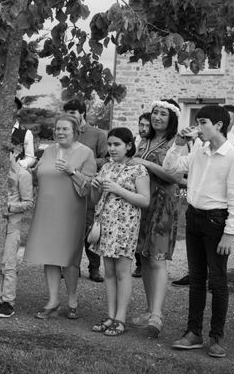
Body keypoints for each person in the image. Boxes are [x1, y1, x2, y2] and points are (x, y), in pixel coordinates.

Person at [164, 105, 234, 358]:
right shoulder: (198, 150)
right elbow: (170, 168)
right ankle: (193, 333)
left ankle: (216, 337)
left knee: (218, 281)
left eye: (203, 122)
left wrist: (229, 233)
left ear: (219, 125)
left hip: (216, 221)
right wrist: (178, 143)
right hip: (195, 217)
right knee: (197, 278)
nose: (198, 127)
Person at [23, 115, 97, 319]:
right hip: (46, 210)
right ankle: (53, 300)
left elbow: (90, 187)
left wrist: (71, 171)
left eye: (65, 129)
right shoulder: (48, 150)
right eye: (58, 129)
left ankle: (72, 300)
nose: (60, 132)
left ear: (75, 132)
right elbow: (39, 176)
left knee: (69, 258)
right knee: (50, 255)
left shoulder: (85, 153)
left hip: (71, 212)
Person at [129, 99, 182, 338]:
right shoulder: (145, 140)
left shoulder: (176, 143)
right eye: (155, 113)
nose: (157, 117)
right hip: (142, 204)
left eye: (163, 114)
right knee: (145, 257)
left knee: (158, 259)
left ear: (172, 118)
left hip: (163, 204)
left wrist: (145, 163)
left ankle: (157, 316)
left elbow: (177, 176)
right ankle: (150, 309)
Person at [90, 128, 150, 336]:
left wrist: (118, 189)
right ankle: (110, 315)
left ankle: (121, 318)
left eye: (117, 145)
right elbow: (95, 200)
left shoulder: (138, 170)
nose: (112, 148)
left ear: (129, 146)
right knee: (109, 272)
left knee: (123, 272)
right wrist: (96, 187)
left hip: (126, 224)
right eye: (110, 144)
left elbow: (145, 200)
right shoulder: (105, 167)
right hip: (105, 224)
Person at [63, 99, 108, 282]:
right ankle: (71, 266)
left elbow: (106, 160)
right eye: (67, 113)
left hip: (89, 187)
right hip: (67, 187)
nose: (69, 116)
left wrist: (84, 162)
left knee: (91, 228)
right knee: (69, 229)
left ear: (82, 113)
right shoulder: (65, 133)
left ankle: (94, 267)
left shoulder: (97, 134)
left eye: (73, 112)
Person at [0, 142, 34, 318]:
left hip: (11, 226)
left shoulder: (23, 175)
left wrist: (8, 206)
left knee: (8, 264)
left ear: (14, 154)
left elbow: (28, 203)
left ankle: (8, 301)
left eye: (6, 154)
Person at [133, 112, 151, 278]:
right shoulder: (135, 141)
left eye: (147, 125)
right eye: (141, 125)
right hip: (134, 190)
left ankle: (145, 262)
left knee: (145, 229)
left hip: (149, 189)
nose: (143, 128)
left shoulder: (150, 143)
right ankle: (138, 262)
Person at [12, 97, 36, 169]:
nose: (8, 110)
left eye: (12, 107)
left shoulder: (26, 133)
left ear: (18, 111)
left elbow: (30, 157)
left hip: (16, 173)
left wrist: (20, 163)